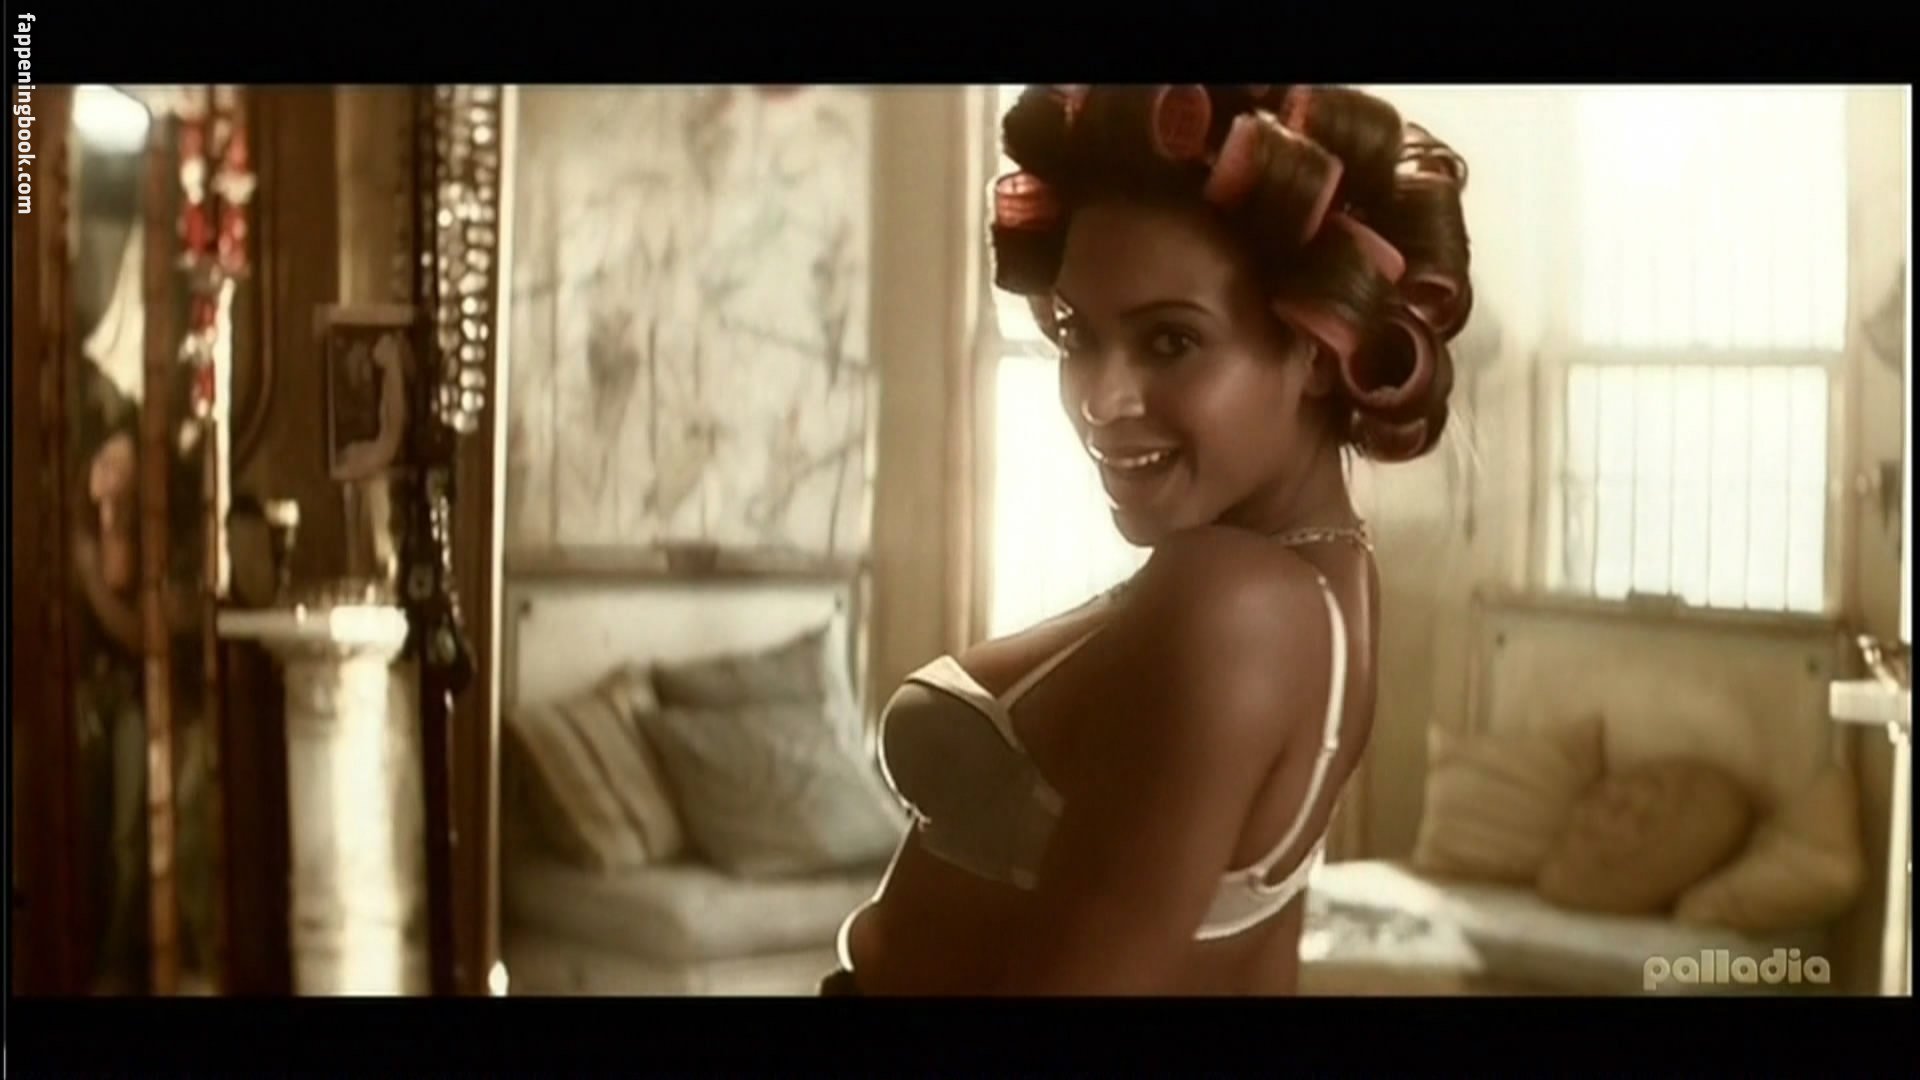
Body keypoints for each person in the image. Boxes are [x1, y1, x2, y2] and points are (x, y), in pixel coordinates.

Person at [826, 85, 1473, 995]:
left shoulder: (1230, 601)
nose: (1100, 400)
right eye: (1075, 335)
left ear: (1317, 351)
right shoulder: (1326, 580)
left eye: (1170, 341)